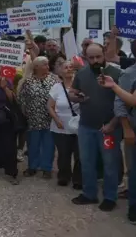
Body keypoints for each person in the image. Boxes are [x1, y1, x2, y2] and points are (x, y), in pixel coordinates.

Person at [69, 43, 122, 212]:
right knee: (87, 162)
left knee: (110, 164)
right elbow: (72, 92)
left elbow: (124, 103)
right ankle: (89, 194)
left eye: (98, 56)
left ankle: (109, 197)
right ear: (85, 57)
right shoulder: (82, 73)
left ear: (104, 54)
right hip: (86, 127)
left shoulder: (117, 73)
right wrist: (77, 98)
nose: (95, 60)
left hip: (110, 129)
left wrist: (113, 124)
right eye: (91, 58)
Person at [102, 37, 136, 225]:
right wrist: (127, 129)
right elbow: (122, 103)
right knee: (135, 170)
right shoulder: (130, 74)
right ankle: (135, 206)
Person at [18, 56, 57, 179]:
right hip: (33, 118)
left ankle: (47, 168)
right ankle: (32, 166)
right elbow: (22, 99)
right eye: (44, 64)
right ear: (36, 67)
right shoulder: (28, 81)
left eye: (47, 64)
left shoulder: (54, 80)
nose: (47, 67)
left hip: (49, 118)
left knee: (49, 144)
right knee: (33, 144)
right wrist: (25, 113)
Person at [47, 60, 82, 189]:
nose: (68, 69)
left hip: (79, 126)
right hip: (60, 126)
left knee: (79, 154)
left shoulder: (81, 86)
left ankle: (79, 178)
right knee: (63, 153)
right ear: (60, 71)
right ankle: (64, 176)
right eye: (65, 67)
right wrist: (56, 120)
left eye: (71, 67)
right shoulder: (56, 87)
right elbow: (50, 106)